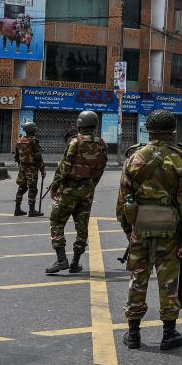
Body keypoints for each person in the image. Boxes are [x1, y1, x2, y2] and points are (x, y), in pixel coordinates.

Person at [116, 109, 182, 350]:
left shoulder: (134, 157)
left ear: (148, 130)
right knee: (169, 279)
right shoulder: (180, 159)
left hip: (140, 227)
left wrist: (129, 231)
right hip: (170, 230)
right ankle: (169, 334)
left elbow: (122, 201)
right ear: (172, 132)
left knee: (137, 278)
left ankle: (133, 334)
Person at [46, 111, 109, 274]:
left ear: (80, 123)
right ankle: (75, 263)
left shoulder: (75, 142)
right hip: (87, 192)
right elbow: (100, 170)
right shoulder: (101, 144)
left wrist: (54, 187)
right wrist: (90, 185)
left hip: (68, 191)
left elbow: (64, 168)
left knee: (57, 222)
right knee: (82, 227)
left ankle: (61, 260)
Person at [13, 122, 46, 217]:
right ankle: (32, 210)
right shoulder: (34, 141)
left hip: (22, 167)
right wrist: (42, 170)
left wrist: (22, 164)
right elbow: (38, 157)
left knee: (22, 187)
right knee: (32, 189)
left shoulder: (19, 141)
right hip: (31, 168)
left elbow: (16, 156)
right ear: (33, 130)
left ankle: (17, 209)